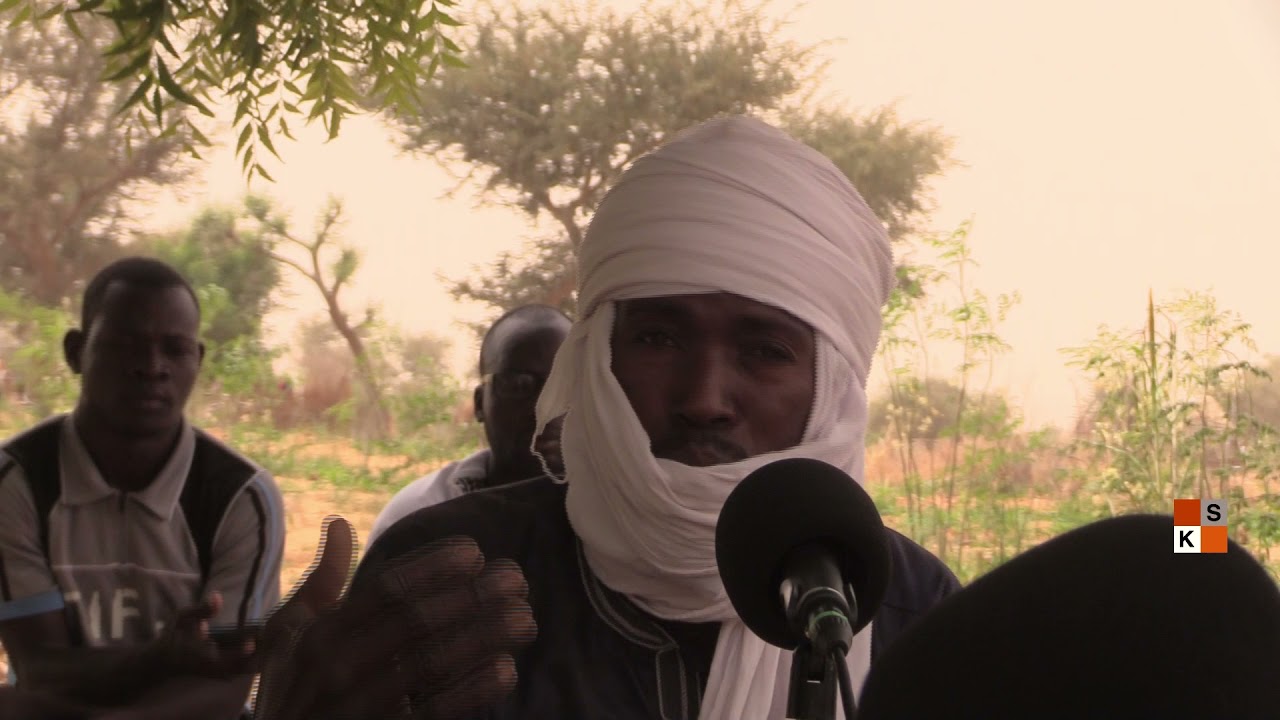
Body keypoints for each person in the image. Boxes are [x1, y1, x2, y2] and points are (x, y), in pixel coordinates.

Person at [261, 115, 961, 720]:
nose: (705, 399)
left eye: (765, 351)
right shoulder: (450, 584)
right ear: (599, 357)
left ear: (832, 386)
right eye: (660, 338)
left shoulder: (913, 613)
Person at [0, 257, 285, 719]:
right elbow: (40, 666)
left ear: (198, 359)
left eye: (174, 349)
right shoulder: (17, 482)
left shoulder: (242, 496)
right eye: (124, 346)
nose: (152, 367)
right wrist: (158, 658)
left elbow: (227, 685)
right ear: (75, 352)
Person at [367, 305, 572, 546]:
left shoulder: (620, 517)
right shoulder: (417, 520)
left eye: (567, 384)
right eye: (519, 384)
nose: (546, 406)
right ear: (479, 404)